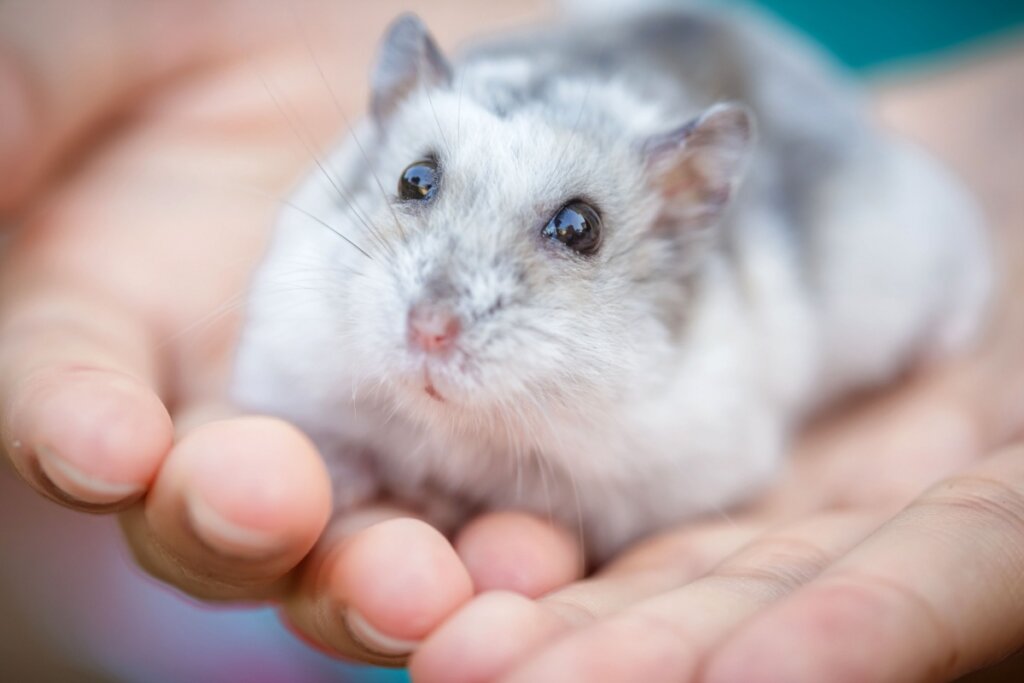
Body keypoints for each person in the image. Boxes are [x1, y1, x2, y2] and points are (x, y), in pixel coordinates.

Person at [1, 1, 1021, 681]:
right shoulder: (315, 267)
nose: (435, 316)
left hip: (836, 103)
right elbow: (278, 372)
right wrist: (349, 446)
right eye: (417, 184)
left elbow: (728, 461)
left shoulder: (694, 381)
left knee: (915, 277)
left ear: (679, 210)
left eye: (570, 232)